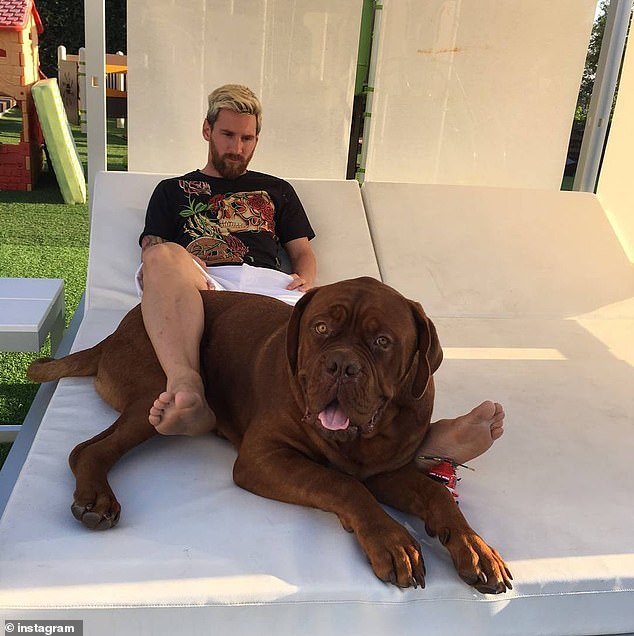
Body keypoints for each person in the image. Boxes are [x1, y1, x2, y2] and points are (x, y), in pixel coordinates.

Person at [137, 83, 505, 477]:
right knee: (161, 256)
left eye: (248, 138)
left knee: (354, 359)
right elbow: (153, 255)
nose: (238, 147)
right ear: (207, 130)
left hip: (269, 290)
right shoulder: (171, 191)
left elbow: (302, 253)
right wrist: (180, 266)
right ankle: (187, 384)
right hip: (206, 286)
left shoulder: (277, 190)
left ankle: (425, 440)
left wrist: (304, 282)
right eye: (228, 135)